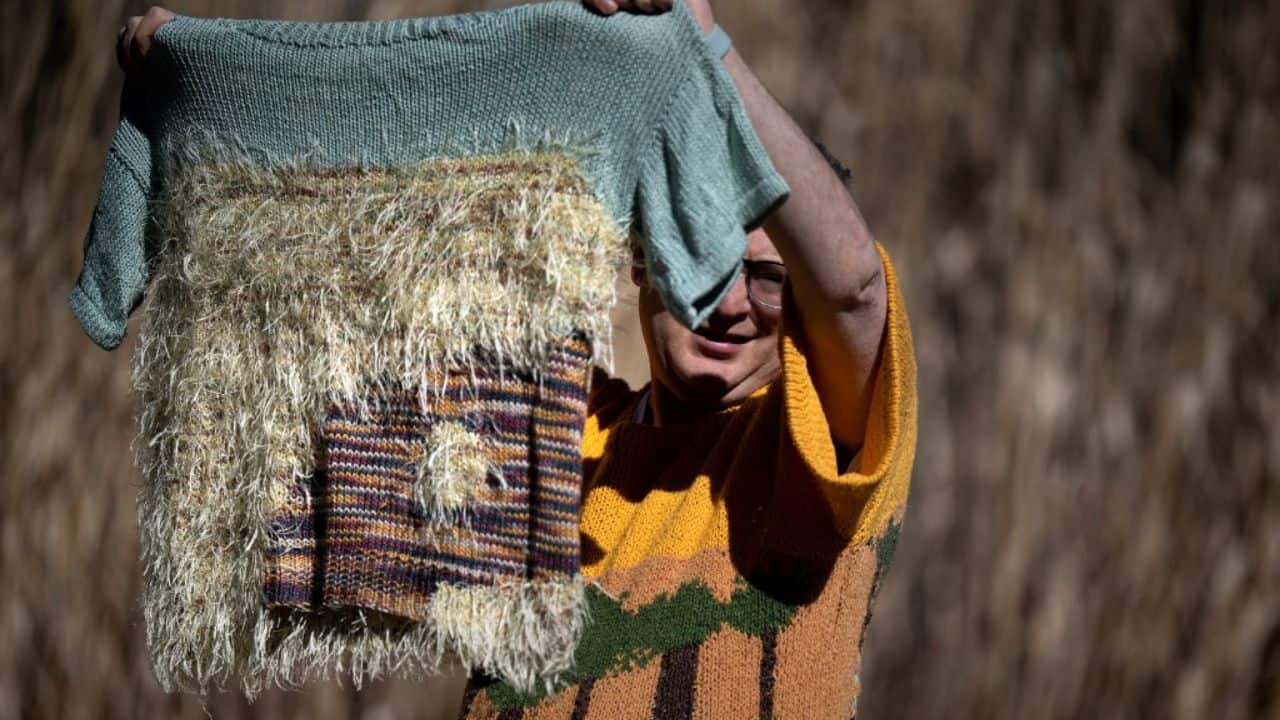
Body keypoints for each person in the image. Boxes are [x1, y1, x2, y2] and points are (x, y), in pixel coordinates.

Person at [116, 1, 916, 717]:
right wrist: (217, 90)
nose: (728, 302)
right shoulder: (548, 426)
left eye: (770, 281)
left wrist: (695, 37)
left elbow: (851, 292)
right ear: (644, 258)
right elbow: (359, 298)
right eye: (700, 258)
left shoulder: (819, 458)